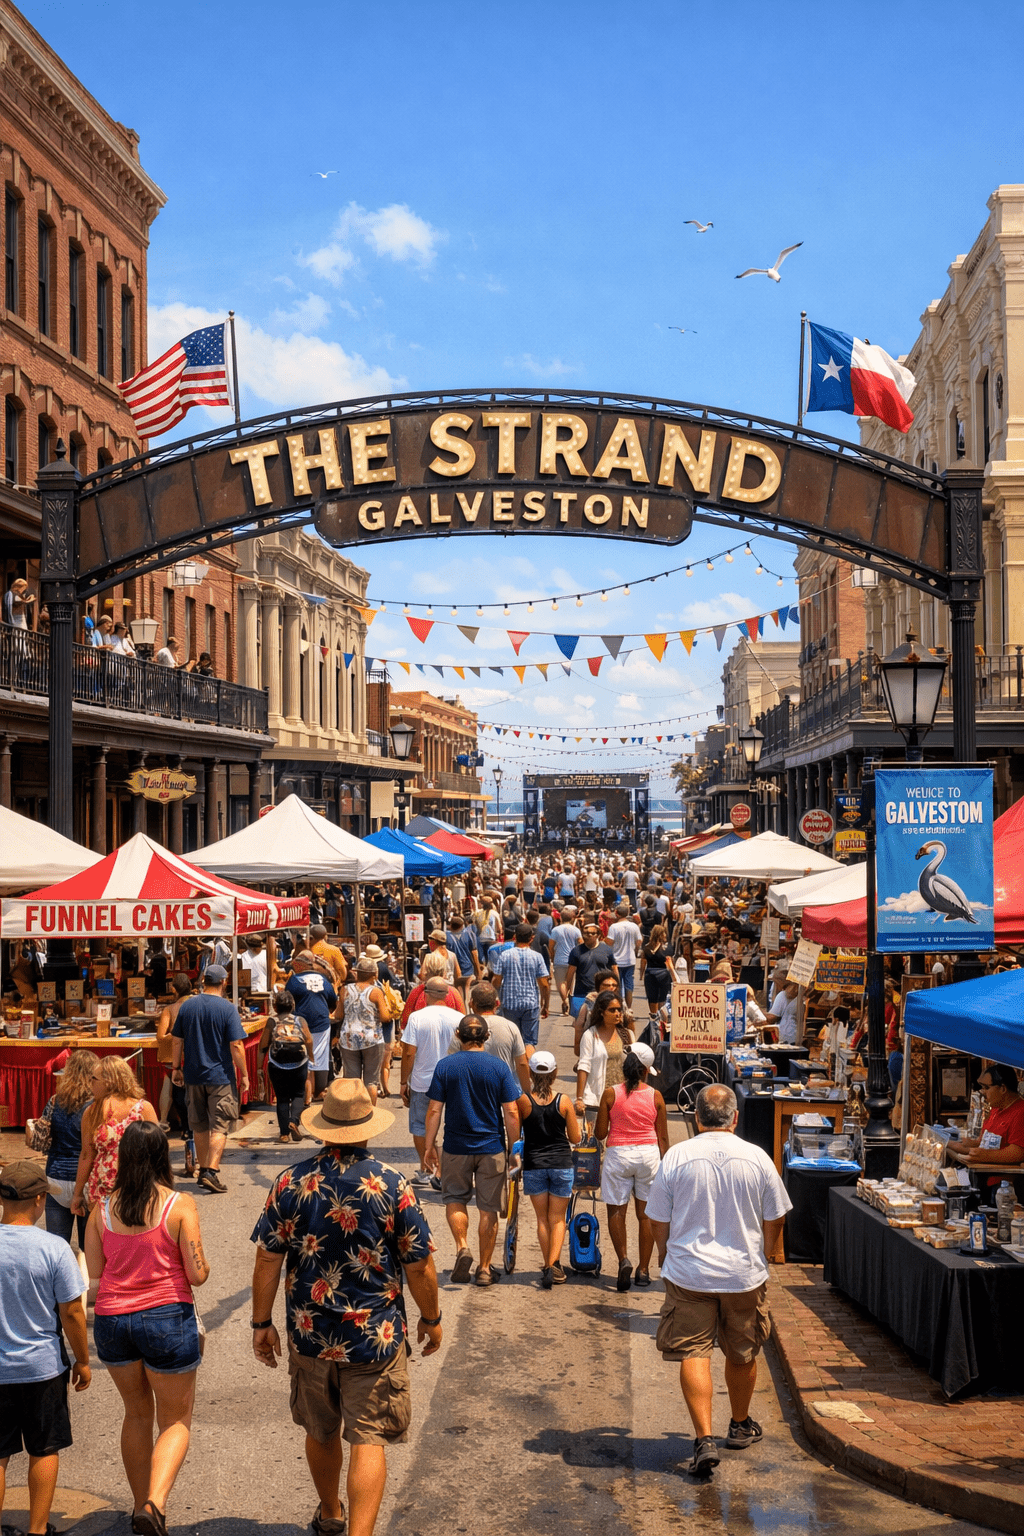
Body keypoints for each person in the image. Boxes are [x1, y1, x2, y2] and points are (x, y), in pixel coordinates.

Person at [251, 1078, 441, 1536]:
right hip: (375, 1338)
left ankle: (331, 1512)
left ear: (323, 1128)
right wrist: (431, 1318)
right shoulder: (391, 1185)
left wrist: (261, 1323)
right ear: (367, 1127)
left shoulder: (291, 1182)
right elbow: (419, 1265)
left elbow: (267, 1256)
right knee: (368, 1437)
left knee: (320, 1430)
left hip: (310, 1333)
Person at [647, 1083, 792, 1478]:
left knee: (695, 1352)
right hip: (742, 1274)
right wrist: (765, 1254)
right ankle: (740, 1424)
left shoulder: (677, 1156)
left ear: (696, 1118)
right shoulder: (757, 1157)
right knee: (742, 1351)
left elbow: (656, 1218)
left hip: (689, 1272)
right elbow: (777, 1216)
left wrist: (664, 1252)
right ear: (735, 1118)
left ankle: (704, 1438)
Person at [84, 1122, 209, 1536]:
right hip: (167, 1319)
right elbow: (197, 1275)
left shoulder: (102, 1209)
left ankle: (141, 1505)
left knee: (136, 1414)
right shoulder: (179, 1204)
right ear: (162, 1156)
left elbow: (96, 1276)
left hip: (113, 1320)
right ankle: (155, 1503)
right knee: (175, 1420)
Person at [0, 1161, 91, 1536]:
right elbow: (71, 1313)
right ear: (39, 1200)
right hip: (42, 1368)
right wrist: (83, 1361)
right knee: (44, 1448)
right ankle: (37, 1529)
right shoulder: (54, 1248)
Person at [423, 1014, 521, 1287]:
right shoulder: (499, 1068)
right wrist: (515, 1148)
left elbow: (434, 1109)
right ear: (486, 1037)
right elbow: (511, 1112)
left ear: (458, 1034)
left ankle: (462, 1246)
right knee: (488, 1208)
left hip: (455, 1147)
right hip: (491, 1147)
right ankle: (485, 1269)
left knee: (454, 1198)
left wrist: (430, 1146)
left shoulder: (445, 1066)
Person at [595, 1043, 669, 1292]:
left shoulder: (610, 1094)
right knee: (645, 1214)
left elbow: (600, 1133)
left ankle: (623, 1259)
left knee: (616, 1211)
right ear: (646, 1071)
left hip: (619, 1155)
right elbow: (663, 1138)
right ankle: (644, 1270)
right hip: (648, 1155)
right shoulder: (655, 1096)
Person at [170, 963, 248, 1194]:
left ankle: (203, 1168)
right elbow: (236, 1045)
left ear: (203, 981)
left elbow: (177, 1040)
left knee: (200, 1125)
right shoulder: (227, 1008)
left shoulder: (188, 1005)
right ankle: (210, 1172)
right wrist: (244, 1074)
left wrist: (176, 1068)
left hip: (193, 1075)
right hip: (220, 1076)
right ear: (224, 982)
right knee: (220, 1126)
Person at [517, 1050, 582, 1288]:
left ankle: (547, 1265)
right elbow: (575, 1138)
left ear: (532, 1074)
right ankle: (554, 1264)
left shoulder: (523, 1101)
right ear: (555, 1073)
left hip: (534, 1166)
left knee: (542, 1219)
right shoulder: (563, 1101)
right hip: (561, 1166)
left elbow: (516, 1136)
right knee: (558, 1219)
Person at [24, 1047, 98, 1248]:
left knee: (56, 1244)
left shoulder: (55, 1100)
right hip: (87, 1179)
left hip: (56, 1177)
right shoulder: (96, 1105)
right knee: (88, 1246)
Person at [71, 1056, 159, 1218]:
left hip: (135, 1188)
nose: (90, 1084)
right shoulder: (92, 1112)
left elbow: (157, 1152)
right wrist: (77, 1193)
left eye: (93, 1079)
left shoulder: (143, 1109)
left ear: (109, 1082)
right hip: (106, 1190)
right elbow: (86, 1155)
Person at [401, 975, 463, 1186]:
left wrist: (403, 1082)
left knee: (420, 1126)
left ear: (426, 994)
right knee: (451, 1126)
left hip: (423, 1081)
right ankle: (446, 1171)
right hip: (453, 1080)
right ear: (447, 995)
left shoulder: (417, 1018)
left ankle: (427, 1169)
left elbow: (409, 1053)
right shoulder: (458, 1018)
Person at [448, 980, 531, 1092]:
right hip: (505, 1091)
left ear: (471, 1003)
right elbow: (521, 1063)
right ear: (497, 1004)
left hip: (473, 1091)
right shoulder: (510, 1027)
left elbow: (452, 1062)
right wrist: (527, 1093)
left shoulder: (463, 1029)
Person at [258, 991, 315, 1142]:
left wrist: (259, 1068)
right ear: (293, 1006)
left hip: (277, 1065)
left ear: (275, 1007)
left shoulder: (272, 1021)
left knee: (282, 1097)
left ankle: (284, 1134)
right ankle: (293, 1121)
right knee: (298, 1094)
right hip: (299, 1063)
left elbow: (263, 1046)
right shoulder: (300, 1020)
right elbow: (308, 1040)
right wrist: (311, 1057)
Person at [957, 1064, 1024, 1185]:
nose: (983, 1092)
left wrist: (985, 1155)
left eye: (987, 1088)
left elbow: (1017, 1152)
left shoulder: (1020, 1112)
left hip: (1005, 1186)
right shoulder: (995, 1109)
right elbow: (985, 1142)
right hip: (984, 1179)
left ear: (1003, 1089)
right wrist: (948, 1143)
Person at [576, 992, 635, 1122]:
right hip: (596, 1100)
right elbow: (583, 1066)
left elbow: (635, 1067)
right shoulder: (590, 1035)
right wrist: (579, 1099)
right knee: (597, 1139)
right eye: (612, 1010)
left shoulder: (627, 1035)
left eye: (619, 1009)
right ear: (602, 1012)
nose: (617, 1013)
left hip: (622, 1099)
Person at [287, 950, 339, 1099]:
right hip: (321, 1022)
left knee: (302, 1056)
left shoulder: (294, 980)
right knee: (320, 1057)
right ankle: (318, 1091)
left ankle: (304, 1092)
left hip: (301, 1024)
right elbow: (332, 1001)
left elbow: (288, 1002)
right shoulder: (323, 979)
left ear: (301, 964)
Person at [490, 922, 549, 1047]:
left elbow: (496, 981)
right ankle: (528, 1065)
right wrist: (545, 1004)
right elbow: (544, 984)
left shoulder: (505, 956)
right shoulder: (537, 957)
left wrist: (496, 998)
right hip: (530, 1005)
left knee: (512, 1041)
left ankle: (514, 1066)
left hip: (510, 1004)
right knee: (529, 1042)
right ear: (531, 938)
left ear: (514, 937)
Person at [339, 959, 388, 1104]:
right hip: (372, 1039)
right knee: (371, 1081)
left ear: (357, 973)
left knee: (351, 1080)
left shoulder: (345, 990)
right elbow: (385, 1017)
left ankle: (354, 1113)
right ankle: (369, 1114)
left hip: (348, 1039)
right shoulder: (376, 992)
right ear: (374, 974)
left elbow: (338, 1015)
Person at [564, 922, 618, 1021]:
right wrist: (566, 996)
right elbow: (570, 973)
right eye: (586, 933)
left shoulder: (607, 950)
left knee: (602, 1022)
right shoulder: (576, 951)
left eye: (592, 933)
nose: (589, 935)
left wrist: (617, 989)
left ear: (598, 935)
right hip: (581, 994)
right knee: (580, 1024)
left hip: (603, 993)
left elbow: (614, 969)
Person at [400, 950, 463, 1024]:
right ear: (444, 971)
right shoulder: (453, 993)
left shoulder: (417, 992)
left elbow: (405, 1021)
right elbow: (463, 1021)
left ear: (425, 969)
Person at [639, 924, 679, 1014]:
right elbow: (670, 963)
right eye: (664, 933)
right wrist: (674, 975)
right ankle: (661, 1017)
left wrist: (641, 975)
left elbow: (643, 962)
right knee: (662, 997)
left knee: (652, 997)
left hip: (650, 974)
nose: (665, 935)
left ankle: (653, 1016)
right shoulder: (667, 948)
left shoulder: (647, 947)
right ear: (660, 934)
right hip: (663, 974)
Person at [607, 903, 641, 1008]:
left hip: (616, 960)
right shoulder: (634, 926)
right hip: (630, 960)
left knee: (617, 985)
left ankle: (619, 1006)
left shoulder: (614, 927)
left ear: (616, 914)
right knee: (629, 985)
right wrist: (634, 949)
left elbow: (609, 942)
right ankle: (629, 1008)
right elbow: (639, 941)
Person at [447, 914, 481, 1002]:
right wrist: (478, 972)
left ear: (450, 926)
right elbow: (474, 954)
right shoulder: (469, 934)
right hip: (468, 970)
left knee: (456, 995)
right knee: (467, 994)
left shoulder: (446, 936)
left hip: (453, 971)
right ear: (462, 925)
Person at [309, 924, 348, 988]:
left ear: (311, 937)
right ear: (325, 936)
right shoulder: (334, 950)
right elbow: (342, 973)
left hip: (310, 988)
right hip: (330, 989)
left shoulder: (306, 951)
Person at [767, 980, 801, 1045]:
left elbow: (772, 1018)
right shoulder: (801, 995)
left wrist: (756, 1011)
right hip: (795, 1036)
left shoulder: (782, 995)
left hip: (787, 1037)